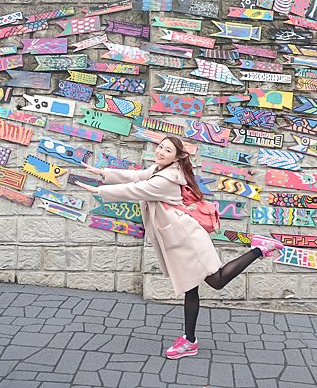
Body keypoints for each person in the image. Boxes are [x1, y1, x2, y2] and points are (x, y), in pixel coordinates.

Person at [78, 135, 284, 359]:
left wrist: (99, 191)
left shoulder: (166, 180)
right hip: (181, 238)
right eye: (160, 147)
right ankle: (190, 340)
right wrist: (103, 173)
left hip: (188, 240)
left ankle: (259, 249)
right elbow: (137, 175)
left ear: (177, 156)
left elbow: (136, 189)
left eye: (167, 150)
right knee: (191, 287)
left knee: (216, 281)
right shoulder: (162, 169)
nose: (160, 152)